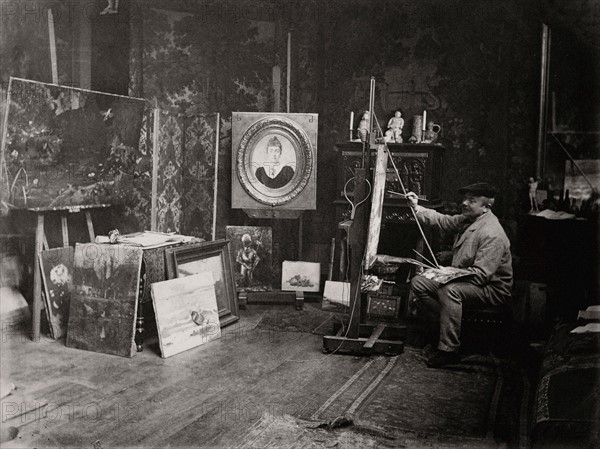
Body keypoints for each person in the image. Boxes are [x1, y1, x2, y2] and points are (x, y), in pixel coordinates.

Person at [406, 182, 513, 368]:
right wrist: (416, 207)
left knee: (450, 290)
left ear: (486, 207)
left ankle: (449, 350)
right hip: (471, 281)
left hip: (492, 289)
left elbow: (481, 276)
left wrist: (448, 272)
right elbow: (443, 220)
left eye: (471, 201)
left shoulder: (492, 233)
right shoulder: (470, 219)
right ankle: (445, 322)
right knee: (419, 282)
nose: (464, 203)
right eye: (464, 199)